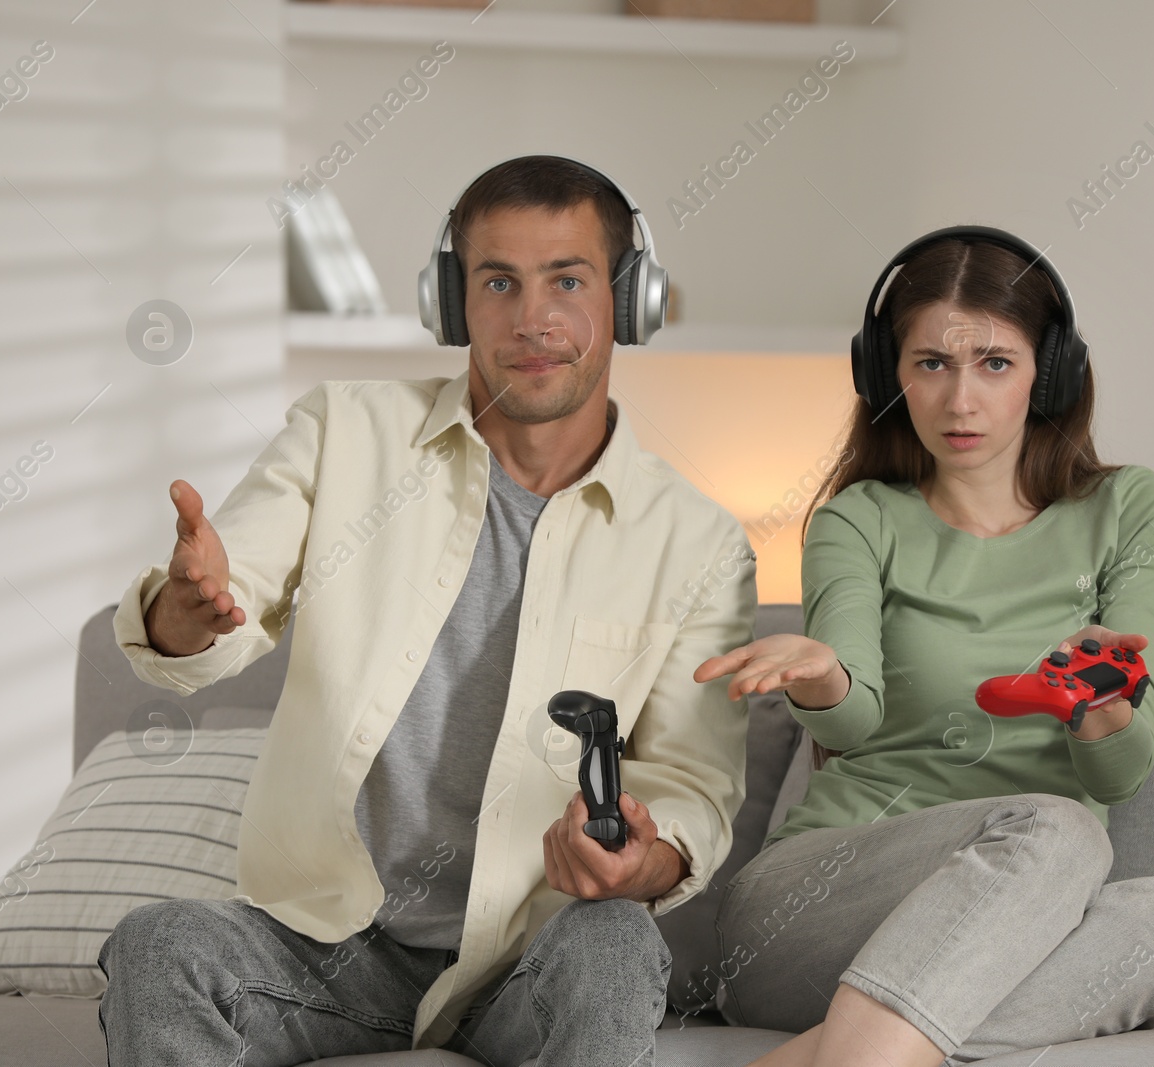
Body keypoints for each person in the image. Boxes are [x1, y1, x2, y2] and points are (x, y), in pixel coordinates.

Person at [97, 155, 757, 1067]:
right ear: (451, 302)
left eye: (568, 280)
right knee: (160, 943)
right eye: (498, 281)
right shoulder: (342, 431)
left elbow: (694, 782)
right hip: (327, 948)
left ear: (629, 300)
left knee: (615, 941)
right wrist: (187, 610)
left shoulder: (700, 543)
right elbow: (222, 595)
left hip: (527, 955)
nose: (534, 319)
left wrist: (643, 860)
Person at [694, 227, 1154, 1066]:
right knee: (1065, 834)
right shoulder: (856, 518)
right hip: (813, 903)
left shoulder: (1131, 510)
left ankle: (839, 1052)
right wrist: (826, 675)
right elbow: (853, 723)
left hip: (998, 916)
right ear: (887, 374)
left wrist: (1095, 705)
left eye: (995, 364)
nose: (960, 400)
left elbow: (1119, 773)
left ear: (1050, 372)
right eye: (931, 363)